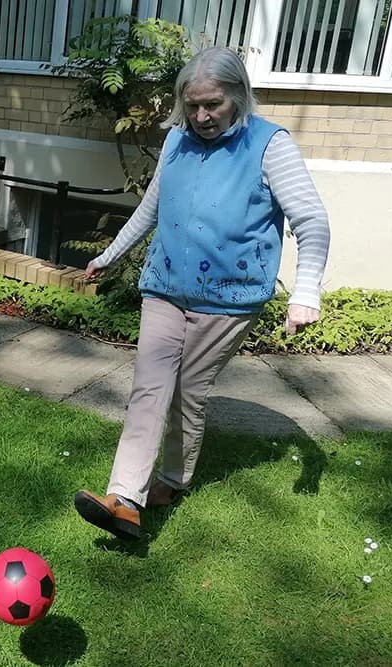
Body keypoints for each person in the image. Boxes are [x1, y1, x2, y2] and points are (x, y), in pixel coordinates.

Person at [73, 46, 330, 540]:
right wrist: (111, 254)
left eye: (213, 104)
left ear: (238, 96)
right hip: (165, 287)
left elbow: (312, 219)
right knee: (150, 387)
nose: (202, 116)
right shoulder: (176, 140)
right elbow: (151, 208)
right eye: (192, 106)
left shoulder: (270, 145)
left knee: (186, 393)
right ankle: (124, 498)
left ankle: (172, 480)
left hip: (228, 299)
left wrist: (305, 292)